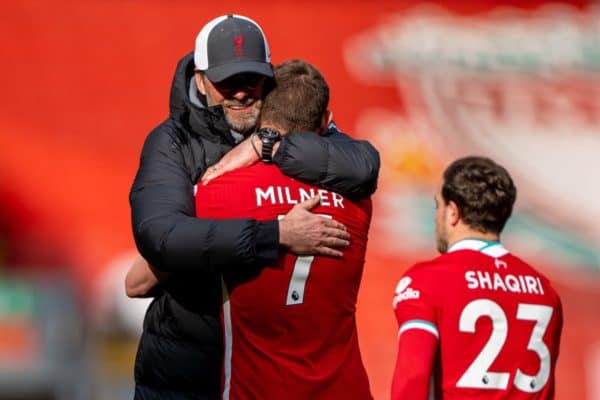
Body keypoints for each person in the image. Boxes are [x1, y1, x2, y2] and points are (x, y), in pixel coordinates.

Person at [128, 14, 379, 400]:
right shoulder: (171, 140)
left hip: (259, 368)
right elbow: (161, 239)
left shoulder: (278, 128)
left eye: (251, 79)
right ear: (198, 78)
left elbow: (364, 165)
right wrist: (275, 234)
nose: (241, 93)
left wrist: (267, 145)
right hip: (186, 365)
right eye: (226, 81)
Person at [193, 59, 373, 399]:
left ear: (261, 118)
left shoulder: (217, 190)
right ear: (326, 123)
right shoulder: (359, 202)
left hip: (255, 391)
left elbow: (166, 251)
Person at [391, 156, 563, 400]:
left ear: (453, 212)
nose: (435, 216)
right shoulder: (546, 292)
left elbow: (412, 379)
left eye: (437, 205)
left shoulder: (426, 280)